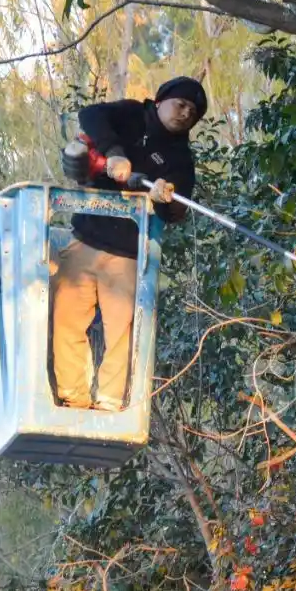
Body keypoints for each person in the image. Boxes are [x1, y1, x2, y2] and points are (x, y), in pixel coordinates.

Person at [53, 76, 206, 411]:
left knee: (120, 330)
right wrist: (114, 153)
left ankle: (108, 400)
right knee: (67, 319)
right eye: (180, 104)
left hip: (126, 253)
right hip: (86, 237)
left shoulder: (181, 159)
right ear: (161, 99)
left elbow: (178, 209)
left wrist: (165, 195)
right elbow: (91, 115)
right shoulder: (132, 114)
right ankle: (73, 396)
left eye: (192, 112)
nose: (185, 113)